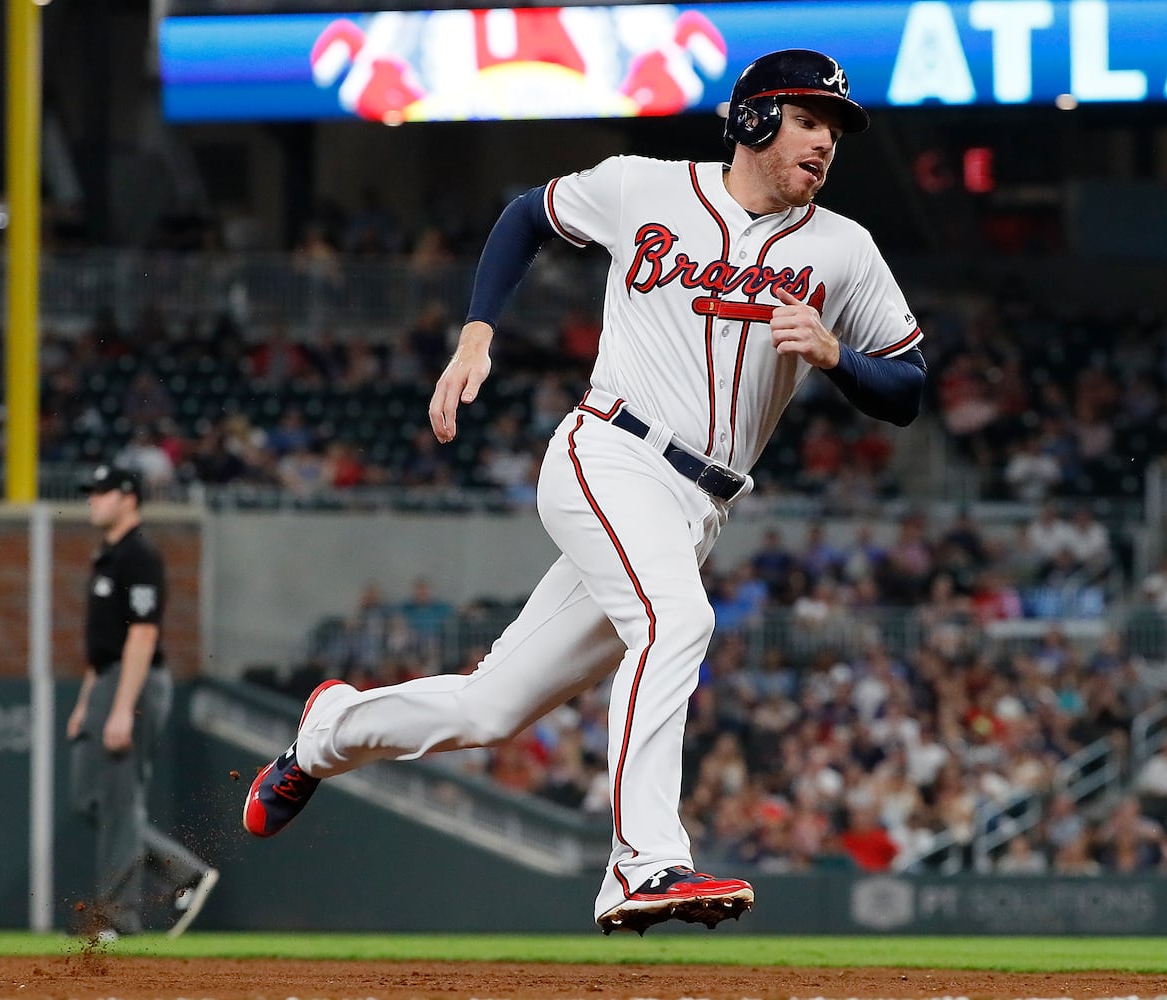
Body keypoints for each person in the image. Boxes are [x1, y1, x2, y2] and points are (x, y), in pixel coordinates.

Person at [243, 49, 926, 935]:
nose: (825, 143)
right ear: (753, 119)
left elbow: (907, 388)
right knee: (677, 623)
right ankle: (641, 864)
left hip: (698, 508)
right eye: (808, 120)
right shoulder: (643, 187)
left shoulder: (842, 248)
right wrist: (477, 334)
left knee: (489, 709)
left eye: (834, 130)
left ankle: (325, 734)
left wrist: (840, 357)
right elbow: (525, 216)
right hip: (611, 453)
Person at [68, 464, 218, 939]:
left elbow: (143, 634)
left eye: (102, 492)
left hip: (133, 684)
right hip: (108, 680)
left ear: (128, 497)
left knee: (118, 802)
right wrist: (85, 702)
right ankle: (182, 872)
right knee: (89, 798)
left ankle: (116, 919)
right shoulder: (108, 556)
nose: (93, 499)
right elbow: (103, 645)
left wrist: (119, 708)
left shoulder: (139, 556)